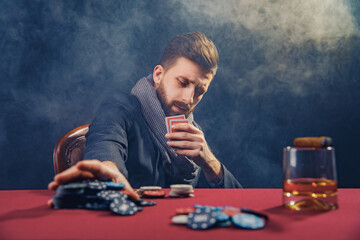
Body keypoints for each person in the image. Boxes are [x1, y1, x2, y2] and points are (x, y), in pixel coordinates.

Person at [48, 32, 241, 201]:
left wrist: (208, 161)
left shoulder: (193, 133)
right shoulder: (120, 107)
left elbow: (242, 200)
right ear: (158, 75)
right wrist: (109, 171)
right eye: (182, 83)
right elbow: (105, 143)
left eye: (199, 90)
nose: (188, 98)